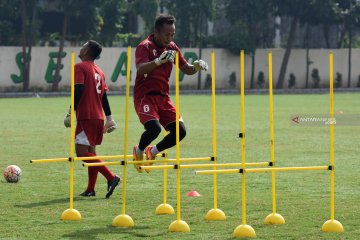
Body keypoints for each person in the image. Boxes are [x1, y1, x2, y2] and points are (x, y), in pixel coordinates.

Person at [133, 14, 208, 172]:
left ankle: (152, 151)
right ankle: (138, 150)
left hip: (163, 97)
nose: (170, 38)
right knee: (154, 129)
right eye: (167, 34)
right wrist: (159, 61)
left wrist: (196, 66)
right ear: (157, 32)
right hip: (145, 97)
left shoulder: (172, 48)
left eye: (172, 34)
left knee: (180, 132)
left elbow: (186, 68)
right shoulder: (144, 46)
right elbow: (140, 69)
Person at [64, 40, 120, 197]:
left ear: (87, 51)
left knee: (82, 153)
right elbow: (104, 97)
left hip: (86, 116)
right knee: (91, 153)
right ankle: (90, 189)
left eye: (83, 46)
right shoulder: (99, 71)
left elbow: (79, 89)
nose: (80, 47)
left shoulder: (80, 67)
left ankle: (111, 177)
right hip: (98, 117)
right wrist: (109, 118)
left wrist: (70, 112)